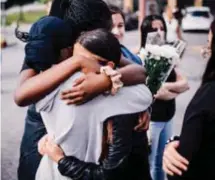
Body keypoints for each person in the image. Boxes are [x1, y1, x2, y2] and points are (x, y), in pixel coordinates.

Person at [15, 0, 147, 180]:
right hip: (44, 136)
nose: (109, 35)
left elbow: (139, 71)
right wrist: (77, 62)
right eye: (105, 31)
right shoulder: (48, 42)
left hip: (88, 148)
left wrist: (106, 80)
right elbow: (21, 95)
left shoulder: (97, 49)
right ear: (80, 36)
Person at [33, 28, 152, 180]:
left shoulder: (123, 102)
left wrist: (60, 159)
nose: (74, 71)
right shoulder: (71, 89)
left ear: (108, 66)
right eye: (73, 63)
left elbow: (108, 174)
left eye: (82, 64)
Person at [163, 20, 215, 180]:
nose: (206, 50)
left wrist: (174, 147)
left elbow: (181, 165)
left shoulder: (208, 95)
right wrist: (176, 141)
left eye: (208, 43)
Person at [140, 15, 189, 180]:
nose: (159, 32)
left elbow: (185, 84)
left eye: (161, 28)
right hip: (152, 120)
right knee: (150, 163)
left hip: (168, 117)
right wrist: (167, 90)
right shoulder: (141, 56)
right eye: (154, 29)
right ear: (145, 31)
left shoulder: (169, 54)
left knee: (161, 164)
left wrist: (164, 87)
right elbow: (154, 92)